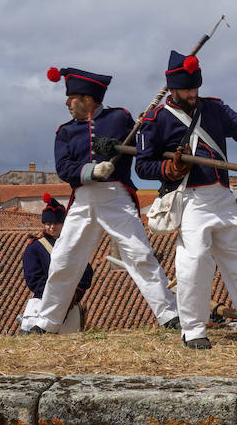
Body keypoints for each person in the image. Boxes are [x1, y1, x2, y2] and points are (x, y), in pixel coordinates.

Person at [135, 50, 237, 349]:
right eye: (186, 89)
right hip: (191, 199)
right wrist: (168, 169)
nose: (192, 93)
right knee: (195, 262)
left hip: (222, 196)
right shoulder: (155, 119)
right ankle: (194, 330)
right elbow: (143, 166)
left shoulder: (214, 109)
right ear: (172, 88)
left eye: (195, 87)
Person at [24, 66, 180, 334]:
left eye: (71, 98)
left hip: (115, 197)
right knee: (63, 259)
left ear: (87, 99)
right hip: (83, 200)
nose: (67, 103)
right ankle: (46, 322)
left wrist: (140, 131)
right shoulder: (65, 132)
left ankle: (169, 315)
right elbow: (64, 168)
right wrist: (92, 170)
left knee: (140, 254)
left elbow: (143, 146)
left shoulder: (121, 119)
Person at [19, 194, 94, 333]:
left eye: (56, 223)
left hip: (71, 305)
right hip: (43, 303)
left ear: (63, 224)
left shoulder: (73, 246)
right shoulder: (34, 247)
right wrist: (57, 296)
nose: (52, 227)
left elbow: (86, 272)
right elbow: (33, 279)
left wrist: (74, 295)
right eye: (48, 224)